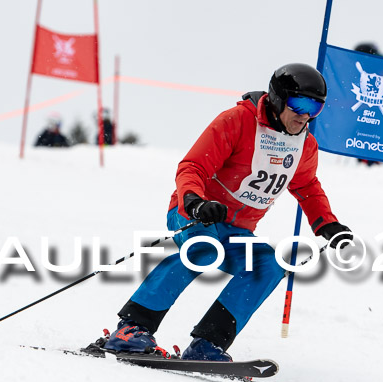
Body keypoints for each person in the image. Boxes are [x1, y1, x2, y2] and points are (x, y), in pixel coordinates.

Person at [102, 63, 353, 361]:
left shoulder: (305, 145)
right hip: (194, 213)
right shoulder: (238, 121)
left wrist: (327, 224)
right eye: (299, 103)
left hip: (238, 230)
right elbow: (192, 167)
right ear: (277, 98)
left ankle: (208, 344)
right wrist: (196, 201)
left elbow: (307, 186)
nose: (305, 114)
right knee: (205, 249)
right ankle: (131, 328)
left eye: (315, 107)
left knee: (269, 265)